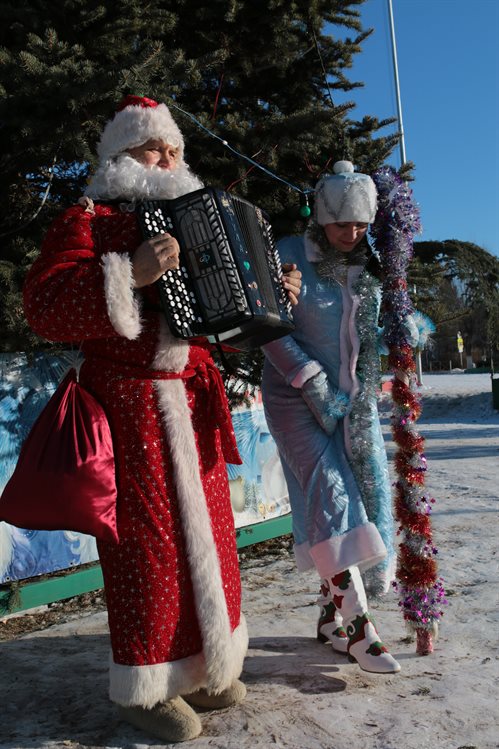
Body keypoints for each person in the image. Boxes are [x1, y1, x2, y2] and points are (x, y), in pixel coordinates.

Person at [23, 95, 301, 743]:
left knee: (211, 541)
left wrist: (269, 302)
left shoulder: (199, 216)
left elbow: (219, 320)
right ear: (120, 157)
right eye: (153, 148)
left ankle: (207, 664)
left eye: (173, 148)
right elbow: (45, 306)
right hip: (128, 403)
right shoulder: (87, 219)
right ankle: (145, 686)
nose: (168, 158)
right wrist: (128, 273)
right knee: (147, 547)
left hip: (191, 397)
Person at [261, 161, 419, 675]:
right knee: (331, 495)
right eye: (339, 223)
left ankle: (331, 619)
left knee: (368, 501)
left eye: (358, 224)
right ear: (319, 216)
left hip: (355, 403)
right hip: (294, 397)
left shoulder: (373, 265)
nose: (350, 233)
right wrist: (310, 378)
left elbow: (372, 333)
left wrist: (409, 330)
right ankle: (360, 631)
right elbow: (264, 328)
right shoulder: (288, 255)